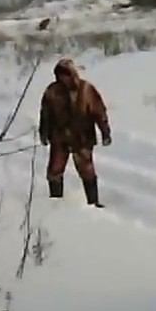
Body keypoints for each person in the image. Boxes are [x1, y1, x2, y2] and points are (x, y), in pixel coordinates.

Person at [39, 58, 111, 207]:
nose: (63, 78)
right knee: (54, 170)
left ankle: (93, 202)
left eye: (65, 74)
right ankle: (55, 201)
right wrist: (44, 132)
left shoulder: (86, 90)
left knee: (87, 170)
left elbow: (99, 111)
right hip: (59, 138)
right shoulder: (52, 91)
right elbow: (45, 114)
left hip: (82, 137)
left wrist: (105, 132)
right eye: (60, 75)